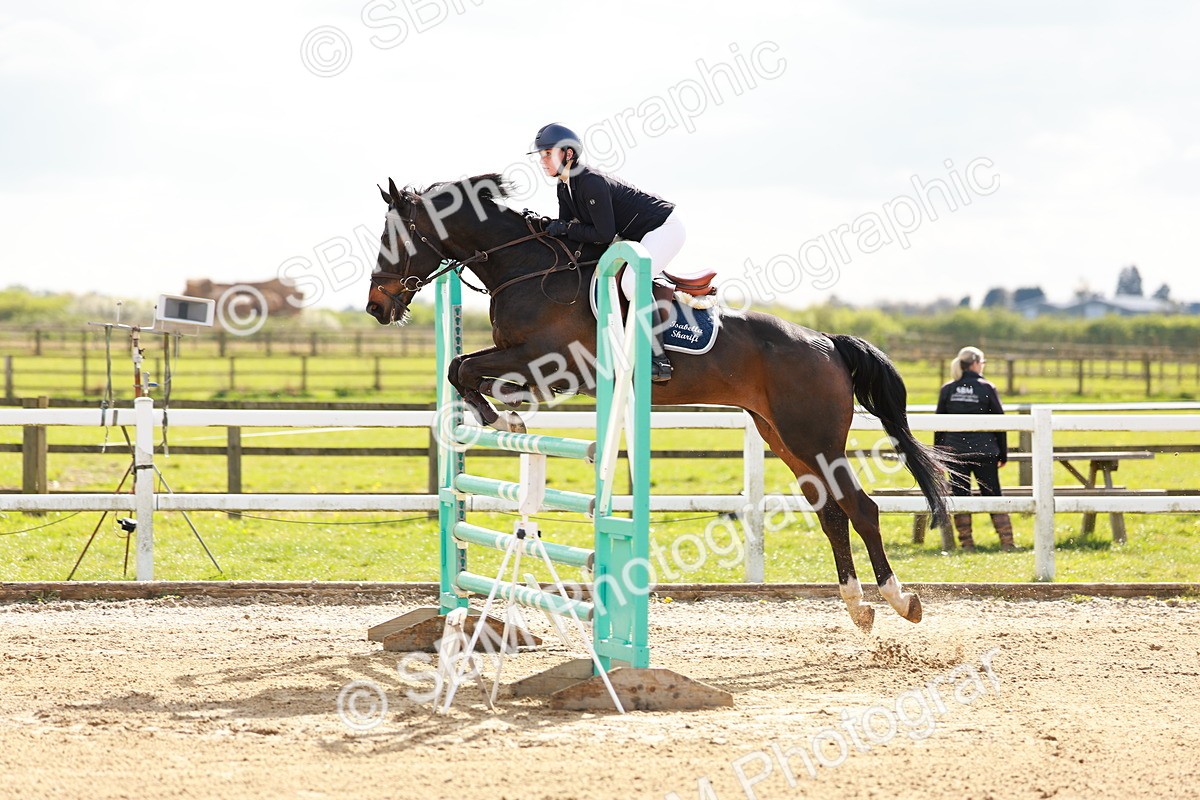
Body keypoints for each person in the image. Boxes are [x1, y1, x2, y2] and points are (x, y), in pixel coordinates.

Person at [529, 122, 684, 383]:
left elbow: (602, 235)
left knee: (632, 283)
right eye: (541, 155)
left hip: (663, 228)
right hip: (634, 236)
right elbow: (568, 233)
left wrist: (565, 228)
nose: (542, 161)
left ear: (568, 154)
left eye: (547, 154)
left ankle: (658, 358)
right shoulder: (564, 186)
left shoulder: (590, 182)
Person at [934, 346, 1015, 552]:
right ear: (976, 363)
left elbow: (938, 426)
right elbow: (1000, 423)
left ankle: (967, 543)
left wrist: (938, 455)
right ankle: (1007, 542)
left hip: (955, 452)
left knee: (961, 495)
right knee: (992, 494)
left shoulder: (948, 389)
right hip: (985, 451)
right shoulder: (987, 388)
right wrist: (1003, 453)